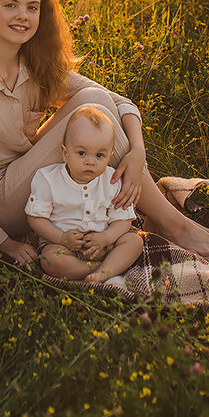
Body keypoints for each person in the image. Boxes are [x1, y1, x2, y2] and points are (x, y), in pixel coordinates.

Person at [0, 0, 209, 260]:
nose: (22, 16)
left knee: (94, 99)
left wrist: (137, 149)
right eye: (10, 5)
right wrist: (2, 243)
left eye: (32, 7)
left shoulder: (33, 66)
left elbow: (116, 101)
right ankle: (172, 223)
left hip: (30, 173)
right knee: (93, 103)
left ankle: (164, 219)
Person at [25, 105, 144, 284]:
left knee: (134, 242)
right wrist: (62, 238)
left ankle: (103, 271)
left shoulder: (111, 180)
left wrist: (105, 238)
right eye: (81, 153)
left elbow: (123, 221)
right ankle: (101, 269)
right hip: (62, 244)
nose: (90, 162)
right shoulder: (48, 180)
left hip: (103, 243)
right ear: (65, 153)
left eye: (99, 155)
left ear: (110, 155)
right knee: (50, 260)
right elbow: (35, 218)